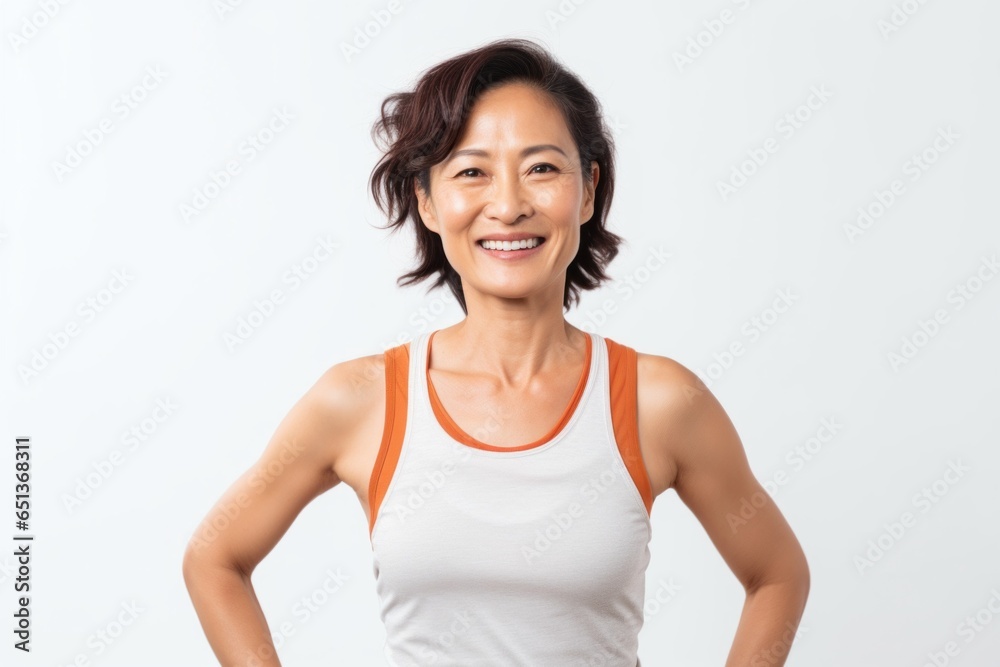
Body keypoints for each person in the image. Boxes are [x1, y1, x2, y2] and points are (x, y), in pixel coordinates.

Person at [182, 38, 810, 667]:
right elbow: (215, 559)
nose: (508, 206)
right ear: (427, 200)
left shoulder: (659, 401)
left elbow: (777, 574)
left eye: (541, 168)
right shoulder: (361, 400)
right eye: (471, 171)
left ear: (588, 190)